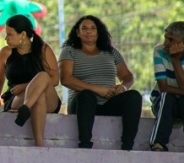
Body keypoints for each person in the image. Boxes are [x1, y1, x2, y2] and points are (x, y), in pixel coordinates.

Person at [58, 15, 142, 150]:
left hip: (107, 103)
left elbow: (128, 76)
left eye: (93, 28)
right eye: (84, 28)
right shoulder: (69, 51)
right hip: (82, 105)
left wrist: (123, 87)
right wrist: (97, 89)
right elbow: (65, 79)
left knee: (134, 96)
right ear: (78, 33)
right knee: (87, 95)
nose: (89, 31)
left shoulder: (111, 52)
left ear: (98, 32)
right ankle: (85, 145)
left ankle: (127, 146)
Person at [0, 14, 61, 147]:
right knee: (38, 97)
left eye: (10, 34)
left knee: (43, 76)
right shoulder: (5, 53)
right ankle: (39, 144)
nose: (6, 38)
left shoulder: (43, 50)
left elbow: (55, 80)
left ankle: (26, 108)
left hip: (47, 98)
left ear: (23, 34)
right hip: (16, 97)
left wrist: (26, 86)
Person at [148, 21, 184, 152]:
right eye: (165, 38)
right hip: (162, 104)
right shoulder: (159, 51)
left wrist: (175, 60)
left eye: (171, 39)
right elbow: (163, 87)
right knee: (167, 96)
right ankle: (158, 143)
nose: (165, 43)